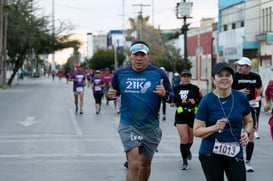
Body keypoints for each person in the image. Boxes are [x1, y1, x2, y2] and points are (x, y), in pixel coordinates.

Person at [108, 41, 174, 181]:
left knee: (145, 164)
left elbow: (172, 97)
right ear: (130, 56)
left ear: (147, 56)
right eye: (135, 55)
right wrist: (110, 96)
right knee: (134, 163)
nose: (138, 58)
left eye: (142, 55)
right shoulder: (120, 74)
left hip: (150, 126)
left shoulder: (158, 74)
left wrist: (165, 94)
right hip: (128, 125)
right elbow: (113, 93)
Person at [193, 62, 253, 181]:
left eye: (228, 75)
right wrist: (214, 128)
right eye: (220, 75)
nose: (224, 78)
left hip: (234, 151)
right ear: (213, 79)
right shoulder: (207, 101)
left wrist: (246, 132)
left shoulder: (241, 98)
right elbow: (196, 131)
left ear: (232, 78)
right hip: (210, 152)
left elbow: (249, 121)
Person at [232, 57, 263, 172]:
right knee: (236, 133)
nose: (239, 67)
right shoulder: (234, 76)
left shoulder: (256, 77)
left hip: (251, 107)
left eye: (242, 65)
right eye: (238, 65)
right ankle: (236, 158)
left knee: (250, 134)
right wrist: (238, 92)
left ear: (248, 67)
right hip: (237, 107)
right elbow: (226, 90)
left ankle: (248, 162)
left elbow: (260, 87)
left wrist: (258, 93)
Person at [170, 70, 202, 170]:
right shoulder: (176, 88)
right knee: (184, 138)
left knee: (190, 139)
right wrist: (172, 102)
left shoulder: (195, 88)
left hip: (191, 115)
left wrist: (195, 101)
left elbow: (201, 100)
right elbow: (172, 99)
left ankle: (187, 150)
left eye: (188, 76)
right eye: (184, 76)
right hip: (180, 115)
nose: (186, 78)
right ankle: (185, 161)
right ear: (181, 78)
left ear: (190, 78)